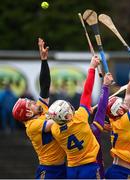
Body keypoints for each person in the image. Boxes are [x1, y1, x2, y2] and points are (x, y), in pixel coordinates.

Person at [12, 38, 66, 179]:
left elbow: (44, 87)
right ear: (29, 113)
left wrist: (43, 60)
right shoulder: (32, 126)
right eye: (30, 104)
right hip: (49, 171)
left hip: (63, 167)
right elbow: (57, 121)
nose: (34, 102)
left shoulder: (39, 110)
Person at [48, 55, 105, 179]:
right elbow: (87, 91)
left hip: (72, 170)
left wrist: (85, 112)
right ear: (68, 115)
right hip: (89, 167)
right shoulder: (79, 118)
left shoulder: (55, 130)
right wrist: (92, 67)